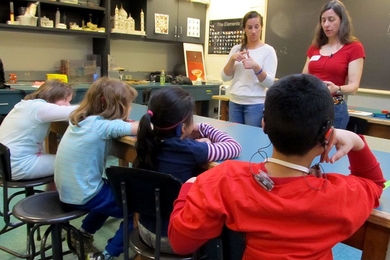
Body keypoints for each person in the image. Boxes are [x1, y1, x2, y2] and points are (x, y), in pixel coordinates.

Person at [168, 74, 385, 259]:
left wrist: (189, 186)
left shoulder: (224, 180)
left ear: (264, 124)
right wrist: (357, 142)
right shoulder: (340, 195)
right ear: (328, 135)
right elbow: (374, 184)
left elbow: (180, 243)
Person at [133, 86, 242, 253]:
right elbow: (234, 147)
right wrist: (205, 128)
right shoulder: (189, 150)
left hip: (143, 230)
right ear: (183, 128)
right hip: (171, 239)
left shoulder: (146, 140)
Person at [54, 77, 139, 260]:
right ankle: (108, 255)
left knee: (113, 191)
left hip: (68, 190)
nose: (130, 108)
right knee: (135, 210)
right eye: (128, 104)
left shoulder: (80, 120)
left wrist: (122, 121)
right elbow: (144, 127)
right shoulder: (103, 126)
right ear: (111, 104)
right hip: (84, 194)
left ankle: (83, 233)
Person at [302, 0, 365, 129]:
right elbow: (304, 78)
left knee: (331, 149)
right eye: (323, 20)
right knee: (311, 148)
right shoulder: (315, 47)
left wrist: (337, 88)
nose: (326, 24)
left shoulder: (354, 48)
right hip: (311, 108)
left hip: (335, 110)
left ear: (342, 21)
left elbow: (354, 87)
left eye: (331, 20)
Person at [0, 79, 76, 181]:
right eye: (64, 100)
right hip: (19, 166)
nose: (68, 105)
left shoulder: (26, 105)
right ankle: (57, 196)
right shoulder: (40, 108)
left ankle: (51, 194)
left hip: (4, 165)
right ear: (51, 95)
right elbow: (75, 111)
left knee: (60, 160)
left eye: (69, 101)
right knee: (75, 162)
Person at [221, 11, 277, 127]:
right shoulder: (236, 49)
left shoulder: (268, 51)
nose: (253, 31)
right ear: (244, 29)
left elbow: (270, 83)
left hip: (255, 104)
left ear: (261, 27)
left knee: (252, 139)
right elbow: (225, 77)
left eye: (257, 27)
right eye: (249, 27)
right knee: (235, 138)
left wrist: (256, 67)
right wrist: (232, 60)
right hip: (235, 102)